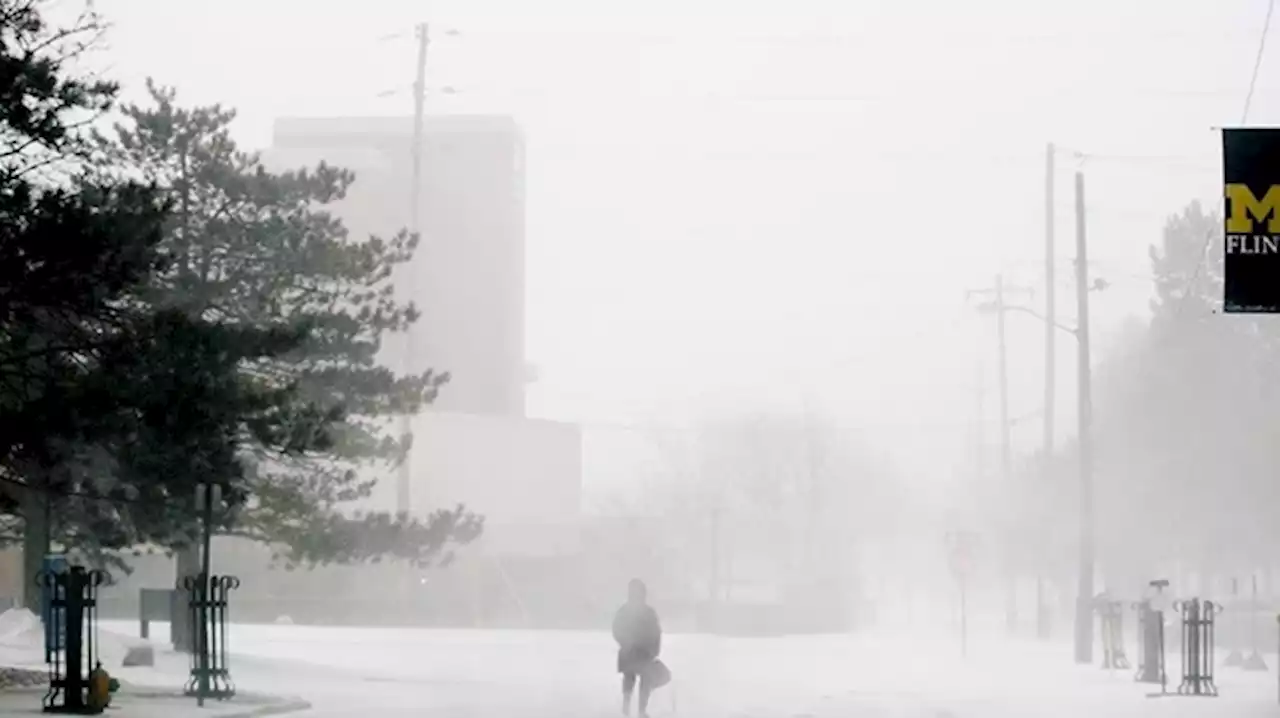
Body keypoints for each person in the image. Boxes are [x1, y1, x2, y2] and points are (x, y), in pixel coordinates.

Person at [613, 578, 661, 717]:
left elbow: (656, 632)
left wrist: (654, 649)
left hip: (643, 652)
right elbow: (617, 629)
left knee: (643, 680)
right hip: (632, 651)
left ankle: (639, 709)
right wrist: (625, 642)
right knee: (631, 679)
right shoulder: (627, 611)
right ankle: (628, 708)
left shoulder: (646, 612)